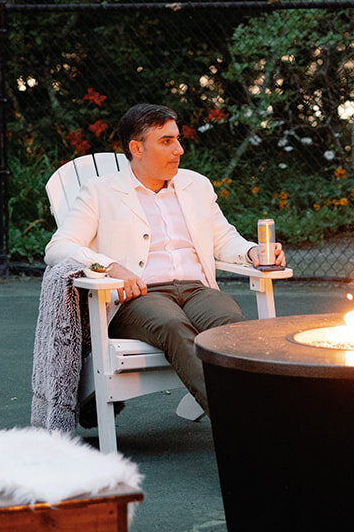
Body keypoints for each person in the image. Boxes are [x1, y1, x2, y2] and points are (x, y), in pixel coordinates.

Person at [45, 103, 283, 418]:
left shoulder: (196, 185)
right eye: (166, 141)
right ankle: (240, 420)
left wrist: (253, 252)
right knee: (173, 326)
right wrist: (110, 266)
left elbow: (224, 238)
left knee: (232, 329)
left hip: (197, 291)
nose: (179, 150)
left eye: (177, 139)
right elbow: (59, 246)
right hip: (140, 296)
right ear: (136, 148)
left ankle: (262, 410)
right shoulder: (99, 192)